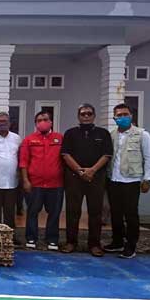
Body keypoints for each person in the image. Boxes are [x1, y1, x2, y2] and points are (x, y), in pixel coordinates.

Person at [60, 103, 113, 256]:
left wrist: (92, 170)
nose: (86, 116)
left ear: (94, 116)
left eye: (89, 114)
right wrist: (80, 171)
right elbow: (65, 154)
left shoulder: (103, 134)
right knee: (72, 211)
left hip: (96, 178)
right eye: (83, 114)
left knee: (95, 212)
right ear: (78, 116)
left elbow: (107, 155)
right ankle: (71, 242)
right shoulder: (70, 133)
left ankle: (94, 244)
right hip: (74, 178)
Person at [104, 103, 150, 258]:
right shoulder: (111, 135)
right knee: (116, 213)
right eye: (118, 115)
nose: (122, 118)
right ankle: (117, 242)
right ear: (114, 117)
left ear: (131, 116)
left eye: (124, 114)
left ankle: (131, 245)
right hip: (113, 179)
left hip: (131, 180)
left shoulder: (142, 134)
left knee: (131, 214)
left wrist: (148, 179)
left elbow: (149, 157)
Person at [19, 111, 64, 250]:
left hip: (55, 184)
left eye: (45, 119)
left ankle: (52, 239)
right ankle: (31, 238)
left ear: (51, 122)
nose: (42, 122)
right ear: (36, 123)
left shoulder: (60, 138)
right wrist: (25, 181)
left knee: (54, 212)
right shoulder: (29, 140)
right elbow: (23, 162)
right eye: (39, 120)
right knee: (32, 211)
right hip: (35, 184)